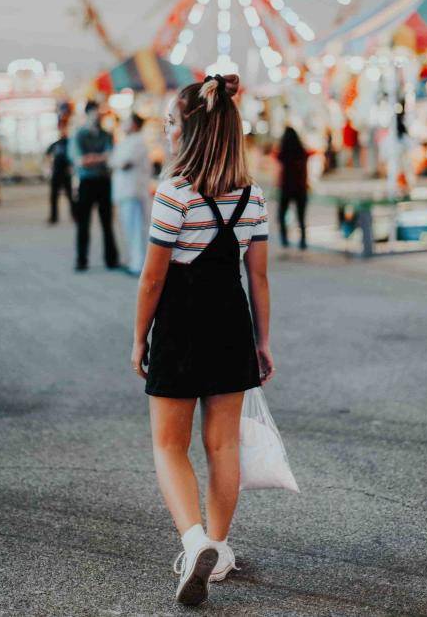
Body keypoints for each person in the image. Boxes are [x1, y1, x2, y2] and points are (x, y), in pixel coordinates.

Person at [131, 74, 275, 607]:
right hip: (231, 321)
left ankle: (194, 544)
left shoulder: (174, 193)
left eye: (170, 123)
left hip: (180, 323)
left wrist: (138, 338)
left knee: (169, 444)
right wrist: (262, 341)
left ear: (189, 130)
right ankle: (219, 546)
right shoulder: (253, 196)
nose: (166, 132)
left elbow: (152, 279)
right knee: (223, 444)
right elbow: (258, 277)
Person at [70, 100, 119, 271]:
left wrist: (93, 158)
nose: (99, 115)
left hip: (104, 182)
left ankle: (111, 259)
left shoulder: (106, 134)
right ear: (88, 113)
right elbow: (80, 161)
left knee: (107, 223)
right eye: (96, 112)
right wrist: (101, 157)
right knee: (84, 223)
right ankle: (81, 260)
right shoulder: (79, 135)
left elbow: (112, 157)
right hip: (87, 183)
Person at [109, 112, 152, 276]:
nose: (123, 124)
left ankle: (139, 264)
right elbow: (114, 161)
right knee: (129, 228)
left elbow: (122, 162)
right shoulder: (126, 141)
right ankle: (135, 261)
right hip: (125, 192)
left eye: (127, 121)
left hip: (133, 191)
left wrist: (114, 161)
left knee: (135, 229)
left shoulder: (138, 142)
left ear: (134, 124)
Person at [276, 126, 310, 250]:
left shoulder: (283, 153)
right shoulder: (302, 152)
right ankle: (303, 241)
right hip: (300, 188)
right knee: (301, 217)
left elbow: (279, 171)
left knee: (281, 215)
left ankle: (284, 239)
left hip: (286, 187)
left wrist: (278, 184)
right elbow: (305, 171)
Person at [45, 123, 75, 224]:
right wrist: (50, 165)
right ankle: (54, 217)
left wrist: (72, 167)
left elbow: (75, 156)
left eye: (64, 129)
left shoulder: (71, 143)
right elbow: (47, 155)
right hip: (56, 173)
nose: (63, 132)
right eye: (61, 130)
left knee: (70, 196)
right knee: (54, 196)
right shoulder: (55, 144)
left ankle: (75, 215)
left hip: (66, 173)